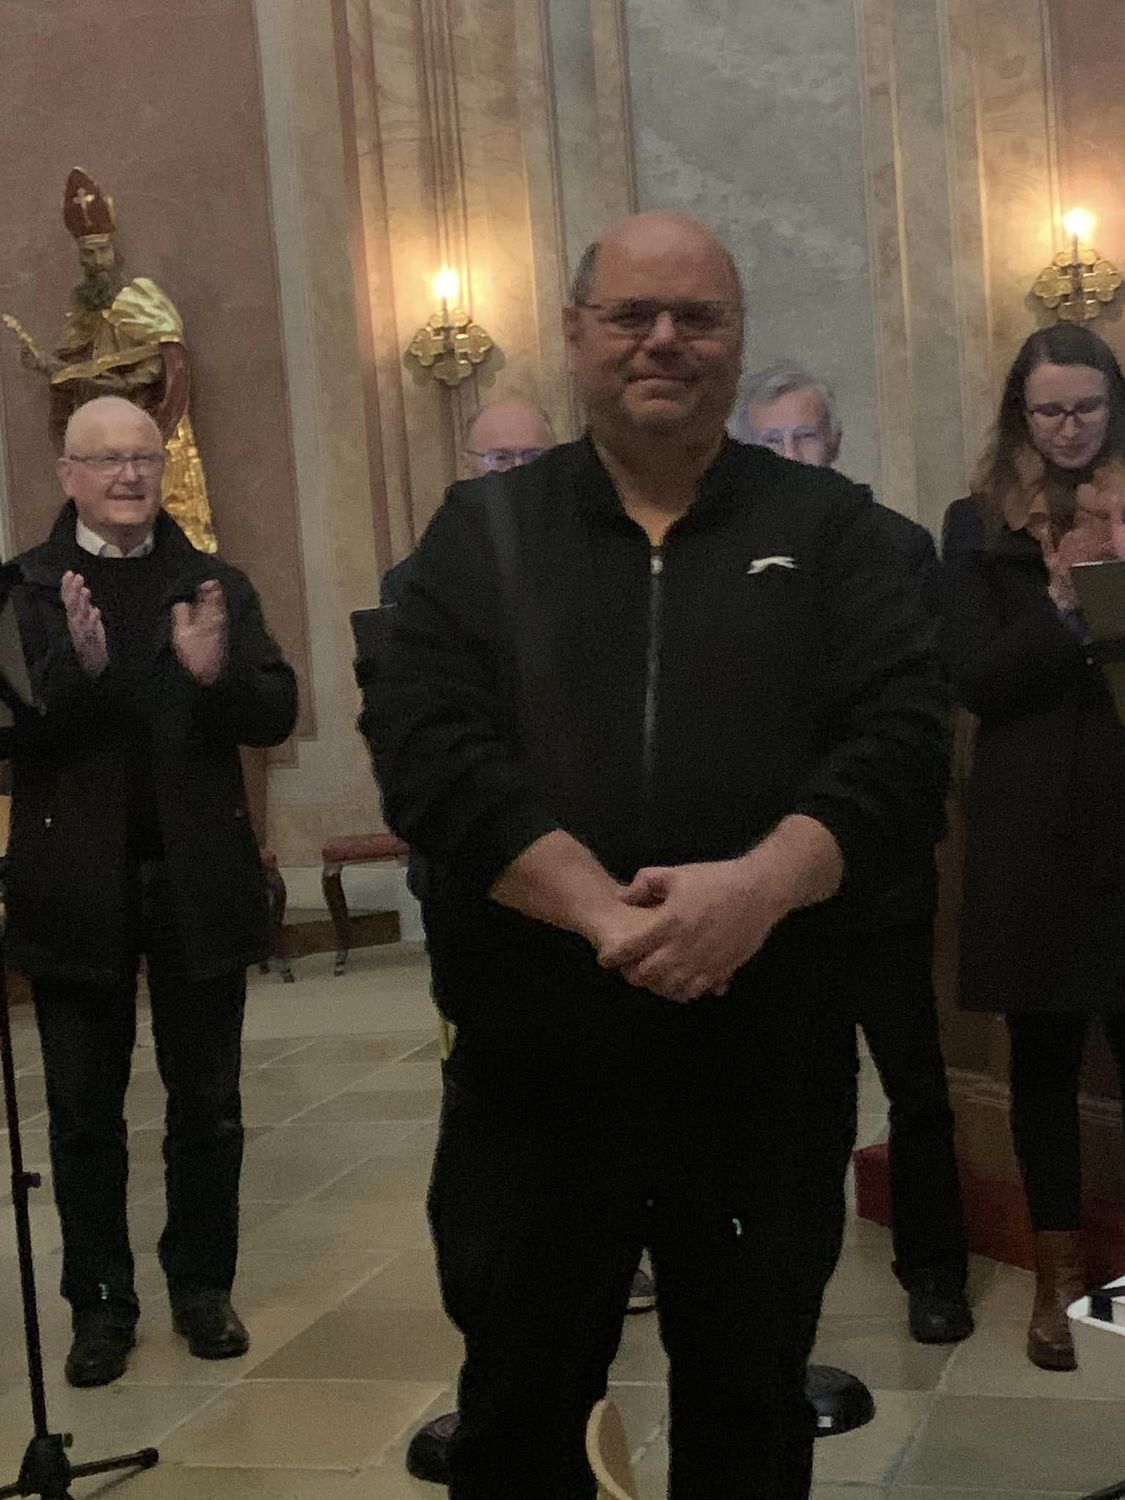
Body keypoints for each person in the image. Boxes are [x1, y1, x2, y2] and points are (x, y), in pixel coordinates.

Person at [358, 211, 949, 1498]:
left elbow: (901, 747)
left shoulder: (837, 529)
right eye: (632, 315)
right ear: (576, 334)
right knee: (520, 1417)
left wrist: (757, 892)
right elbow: (426, 748)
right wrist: (601, 914)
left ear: (737, 340)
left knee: (749, 1408)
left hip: (763, 1065)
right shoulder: (482, 531)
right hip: (535, 1074)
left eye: (698, 317)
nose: (664, 341)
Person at [383, 396, 654, 1490]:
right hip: (507, 959)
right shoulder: (435, 576)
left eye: (526, 455)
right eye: (492, 456)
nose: (510, 472)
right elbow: (429, 755)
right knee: (509, 1280)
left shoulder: (621, 566)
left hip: (654, 931)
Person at [3, 395, 298, 1388]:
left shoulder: (212, 583)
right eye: (106, 460)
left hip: (196, 878)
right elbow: (10, 739)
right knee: (84, 1116)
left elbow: (276, 710)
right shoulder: (27, 588)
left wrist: (218, 678)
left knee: (207, 1105)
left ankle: (202, 1287)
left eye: (144, 456)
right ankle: (100, 1303)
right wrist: (77, 674)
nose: (129, 475)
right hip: (73, 887)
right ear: (68, 475)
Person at [734, 364, 972, 1344]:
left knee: (913, 1080)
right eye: (772, 442)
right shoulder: (729, 553)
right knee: (796, 1095)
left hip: (879, 864)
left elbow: (919, 708)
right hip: (772, 874)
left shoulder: (898, 546)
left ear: (836, 443)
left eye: (807, 436)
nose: (793, 455)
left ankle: (936, 1272)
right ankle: (783, 1283)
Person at [939, 323, 1125, 1372]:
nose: (1068, 428)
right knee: (1044, 1063)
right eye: (1048, 409)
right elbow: (974, 677)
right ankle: (1058, 1280)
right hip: (1033, 827)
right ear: (1021, 412)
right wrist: (1062, 602)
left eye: (1087, 407)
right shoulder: (977, 524)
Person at [2, 168, 217, 552]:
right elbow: (71, 374)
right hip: (102, 447)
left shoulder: (142, 297)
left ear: (115, 251)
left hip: (151, 430)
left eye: (103, 251)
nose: (98, 261)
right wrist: (46, 366)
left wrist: (140, 409)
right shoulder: (82, 315)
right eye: (89, 254)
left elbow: (168, 365)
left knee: (169, 539)